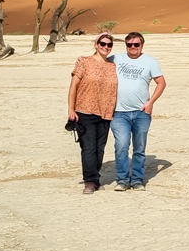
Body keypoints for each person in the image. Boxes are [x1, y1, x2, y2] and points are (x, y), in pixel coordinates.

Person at [110, 32, 166, 191]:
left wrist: (151, 102)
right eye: (129, 45)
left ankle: (137, 180)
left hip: (142, 113)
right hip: (119, 113)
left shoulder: (150, 61)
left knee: (139, 148)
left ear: (142, 45)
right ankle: (122, 180)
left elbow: (161, 83)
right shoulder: (116, 59)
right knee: (121, 146)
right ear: (126, 45)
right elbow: (99, 61)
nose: (133, 47)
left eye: (136, 45)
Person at [68, 33, 118, 194]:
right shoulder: (84, 61)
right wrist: (71, 108)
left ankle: (95, 178)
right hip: (85, 110)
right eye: (103, 43)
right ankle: (89, 181)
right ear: (96, 44)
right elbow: (73, 86)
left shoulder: (113, 66)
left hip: (105, 112)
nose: (106, 47)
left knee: (99, 148)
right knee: (88, 147)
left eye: (109, 45)